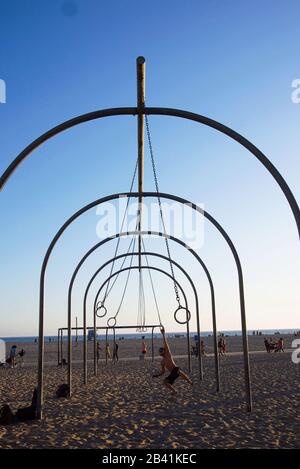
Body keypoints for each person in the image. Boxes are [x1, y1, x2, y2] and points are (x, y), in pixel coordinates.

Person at [152, 327, 193, 394]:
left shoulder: (167, 353)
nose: (160, 352)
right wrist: (157, 375)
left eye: (161, 350)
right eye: (160, 351)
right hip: (172, 373)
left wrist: (163, 334)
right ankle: (174, 391)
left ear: (164, 351)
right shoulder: (162, 362)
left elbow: (165, 343)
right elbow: (163, 371)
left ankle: (190, 382)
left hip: (175, 369)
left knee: (179, 371)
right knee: (164, 382)